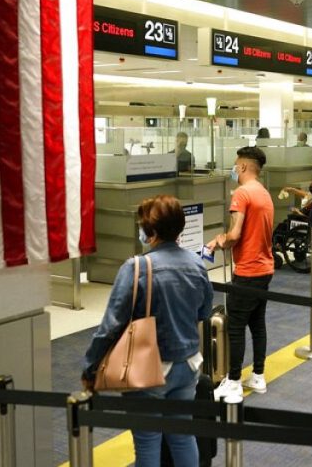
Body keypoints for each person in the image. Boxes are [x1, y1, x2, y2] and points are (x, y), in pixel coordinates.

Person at [80, 195, 213, 467]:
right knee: (182, 436)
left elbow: (110, 326)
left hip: (149, 368)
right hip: (188, 364)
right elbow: (203, 311)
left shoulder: (137, 267)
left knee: (147, 441)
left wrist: (90, 368)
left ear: (150, 232)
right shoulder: (196, 264)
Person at [207, 147, 274, 400]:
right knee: (257, 324)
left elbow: (234, 235)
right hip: (265, 269)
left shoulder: (242, 193)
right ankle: (258, 375)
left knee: (235, 327)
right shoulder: (264, 193)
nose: (234, 169)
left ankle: (233, 381)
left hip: (247, 271)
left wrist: (219, 241)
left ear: (243, 166)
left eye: (236, 165)